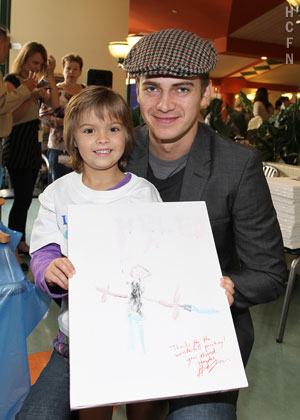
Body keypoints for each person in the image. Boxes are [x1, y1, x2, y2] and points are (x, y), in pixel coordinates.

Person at [123, 28, 287, 420]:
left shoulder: (237, 165)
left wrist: (226, 288)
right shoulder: (117, 151)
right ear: (138, 92)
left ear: (206, 93)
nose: (164, 104)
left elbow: (269, 272)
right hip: (129, 320)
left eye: (181, 89)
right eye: (151, 88)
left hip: (206, 329)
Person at [16, 86, 167, 420]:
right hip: (81, 340)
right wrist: (49, 269)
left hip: (140, 333)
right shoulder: (58, 194)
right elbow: (43, 251)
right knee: (92, 413)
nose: (102, 139)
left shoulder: (144, 193)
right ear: (73, 139)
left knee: (144, 409)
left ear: (127, 136)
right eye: (89, 130)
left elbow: (164, 255)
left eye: (113, 129)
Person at [2, 41, 59, 268]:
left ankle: (21, 240)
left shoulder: (38, 83)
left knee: (27, 199)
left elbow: (54, 103)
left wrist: (51, 76)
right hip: (15, 143)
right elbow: (10, 116)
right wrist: (28, 94)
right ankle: (12, 245)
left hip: (32, 146)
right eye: (34, 62)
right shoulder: (12, 81)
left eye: (41, 64)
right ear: (24, 60)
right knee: (21, 197)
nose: (37, 67)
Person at [40, 53, 85, 181]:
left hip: (81, 147)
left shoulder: (85, 92)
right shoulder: (55, 90)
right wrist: (64, 122)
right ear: (63, 70)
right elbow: (43, 117)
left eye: (75, 69)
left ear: (80, 72)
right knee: (59, 185)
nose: (71, 72)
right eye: (68, 68)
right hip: (58, 147)